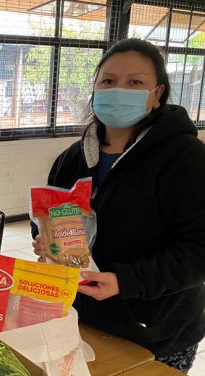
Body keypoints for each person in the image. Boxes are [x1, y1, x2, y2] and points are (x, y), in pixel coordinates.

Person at [31, 38, 205, 373]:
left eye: (135, 82)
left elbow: (199, 250)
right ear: (95, 89)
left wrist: (126, 281)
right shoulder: (72, 159)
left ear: (157, 95)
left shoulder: (186, 158)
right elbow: (50, 221)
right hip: (80, 319)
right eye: (108, 81)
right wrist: (48, 244)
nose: (118, 90)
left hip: (155, 334)